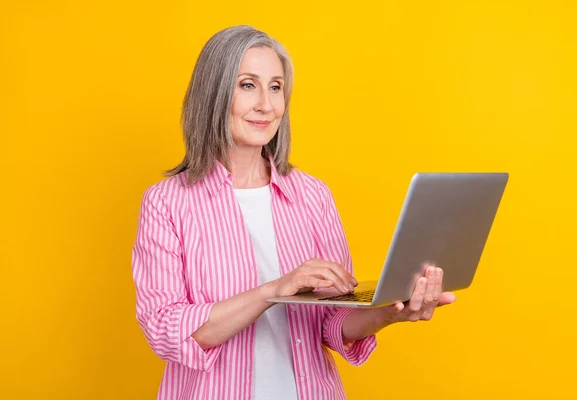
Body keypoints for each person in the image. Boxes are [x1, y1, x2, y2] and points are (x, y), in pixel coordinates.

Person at [132, 25, 456, 400]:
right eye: (248, 85)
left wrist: (390, 312)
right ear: (214, 93)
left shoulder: (313, 195)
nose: (266, 105)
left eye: (276, 87)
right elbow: (165, 330)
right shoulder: (167, 202)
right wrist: (274, 290)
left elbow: (334, 322)